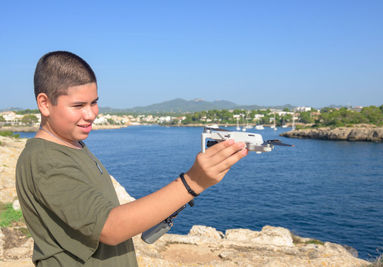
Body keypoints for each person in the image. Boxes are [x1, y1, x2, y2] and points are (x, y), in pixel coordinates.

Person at [15, 51, 248, 266]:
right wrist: (193, 182)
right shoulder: (45, 160)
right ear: (45, 104)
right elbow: (110, 227)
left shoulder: (72, 146)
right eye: (78, 105)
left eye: (94, 102)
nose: (91, 114)